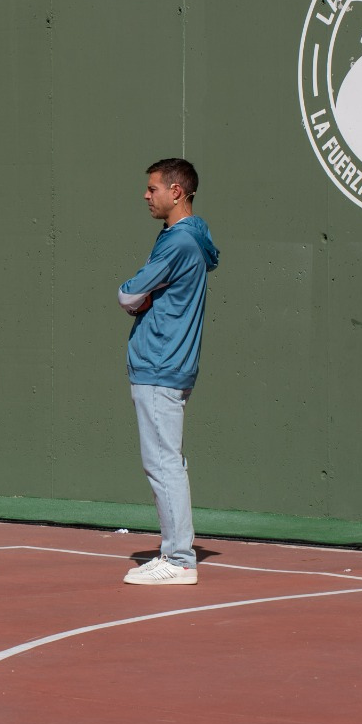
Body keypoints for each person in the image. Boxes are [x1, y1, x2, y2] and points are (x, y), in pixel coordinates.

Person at [117, 158, 219, 586]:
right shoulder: (186, 238)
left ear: (176, 192)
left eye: (153, 188)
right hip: (167, 364)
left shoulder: (178, 242)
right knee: (166, 461)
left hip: (160, 364)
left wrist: (139, 296)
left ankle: (178, 559)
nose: (146, 195)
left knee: (163, 464)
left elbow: (128, 295)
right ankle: (176, 553)